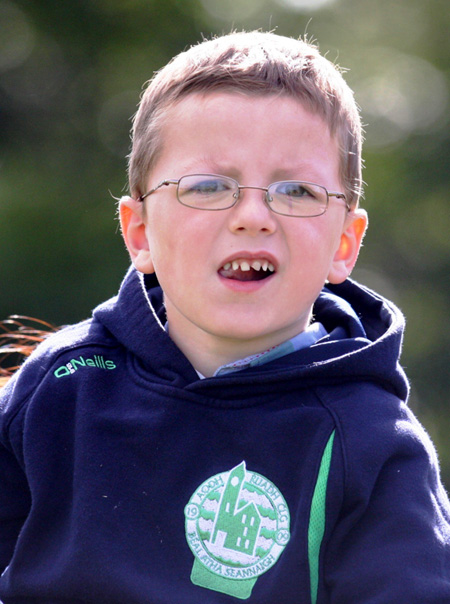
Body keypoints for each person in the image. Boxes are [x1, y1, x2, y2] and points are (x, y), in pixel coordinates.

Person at [0, 30, 449, 604]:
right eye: (209, 186)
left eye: (297, 191)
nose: (253, 215)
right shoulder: (61, 386)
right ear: (139, 233)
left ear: (345, 243)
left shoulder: (368, 440)